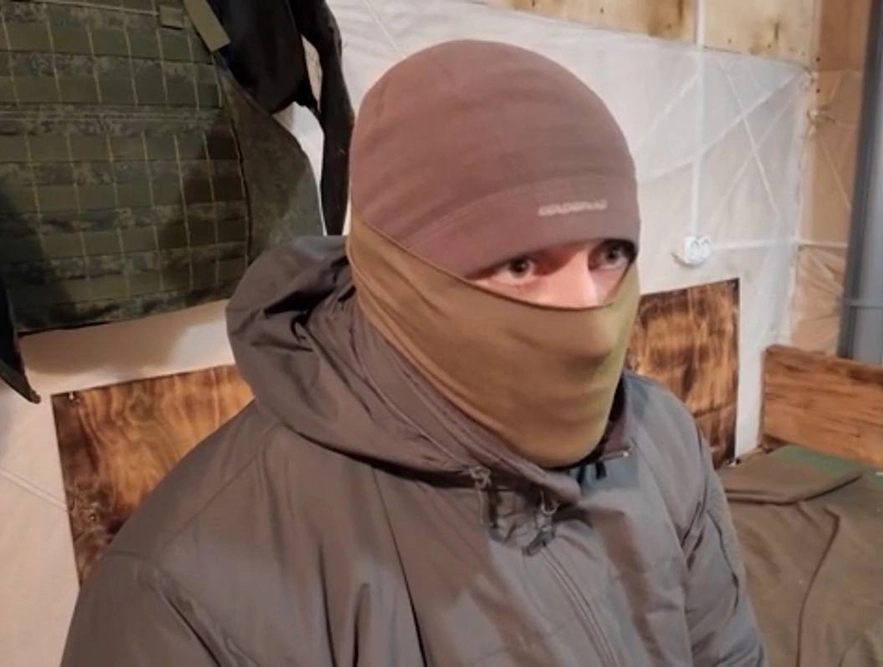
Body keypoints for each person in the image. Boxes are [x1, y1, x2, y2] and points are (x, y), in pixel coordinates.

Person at [61, 40, 765, 666]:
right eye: (520, 264)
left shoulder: (660, 439)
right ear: (399, 271)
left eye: (610, 254)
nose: (590, 313)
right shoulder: (185, 597)